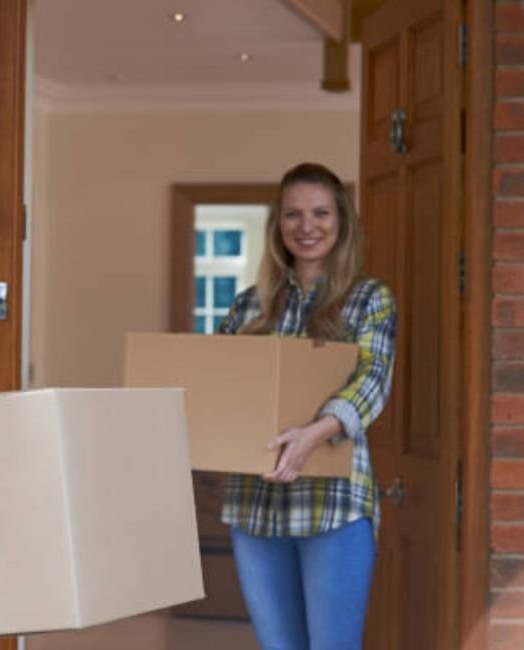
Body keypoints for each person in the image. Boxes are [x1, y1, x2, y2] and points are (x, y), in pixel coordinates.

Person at [217, 162, 396, 650]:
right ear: (278, 224)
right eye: (293, 215)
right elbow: (223, 387)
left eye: (320, 213)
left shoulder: (368, 299)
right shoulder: (248, 307)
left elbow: (372, 379)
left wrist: (314, 433)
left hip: (334, 504)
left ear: (341, 220)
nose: (306, 227)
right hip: (255, 505)